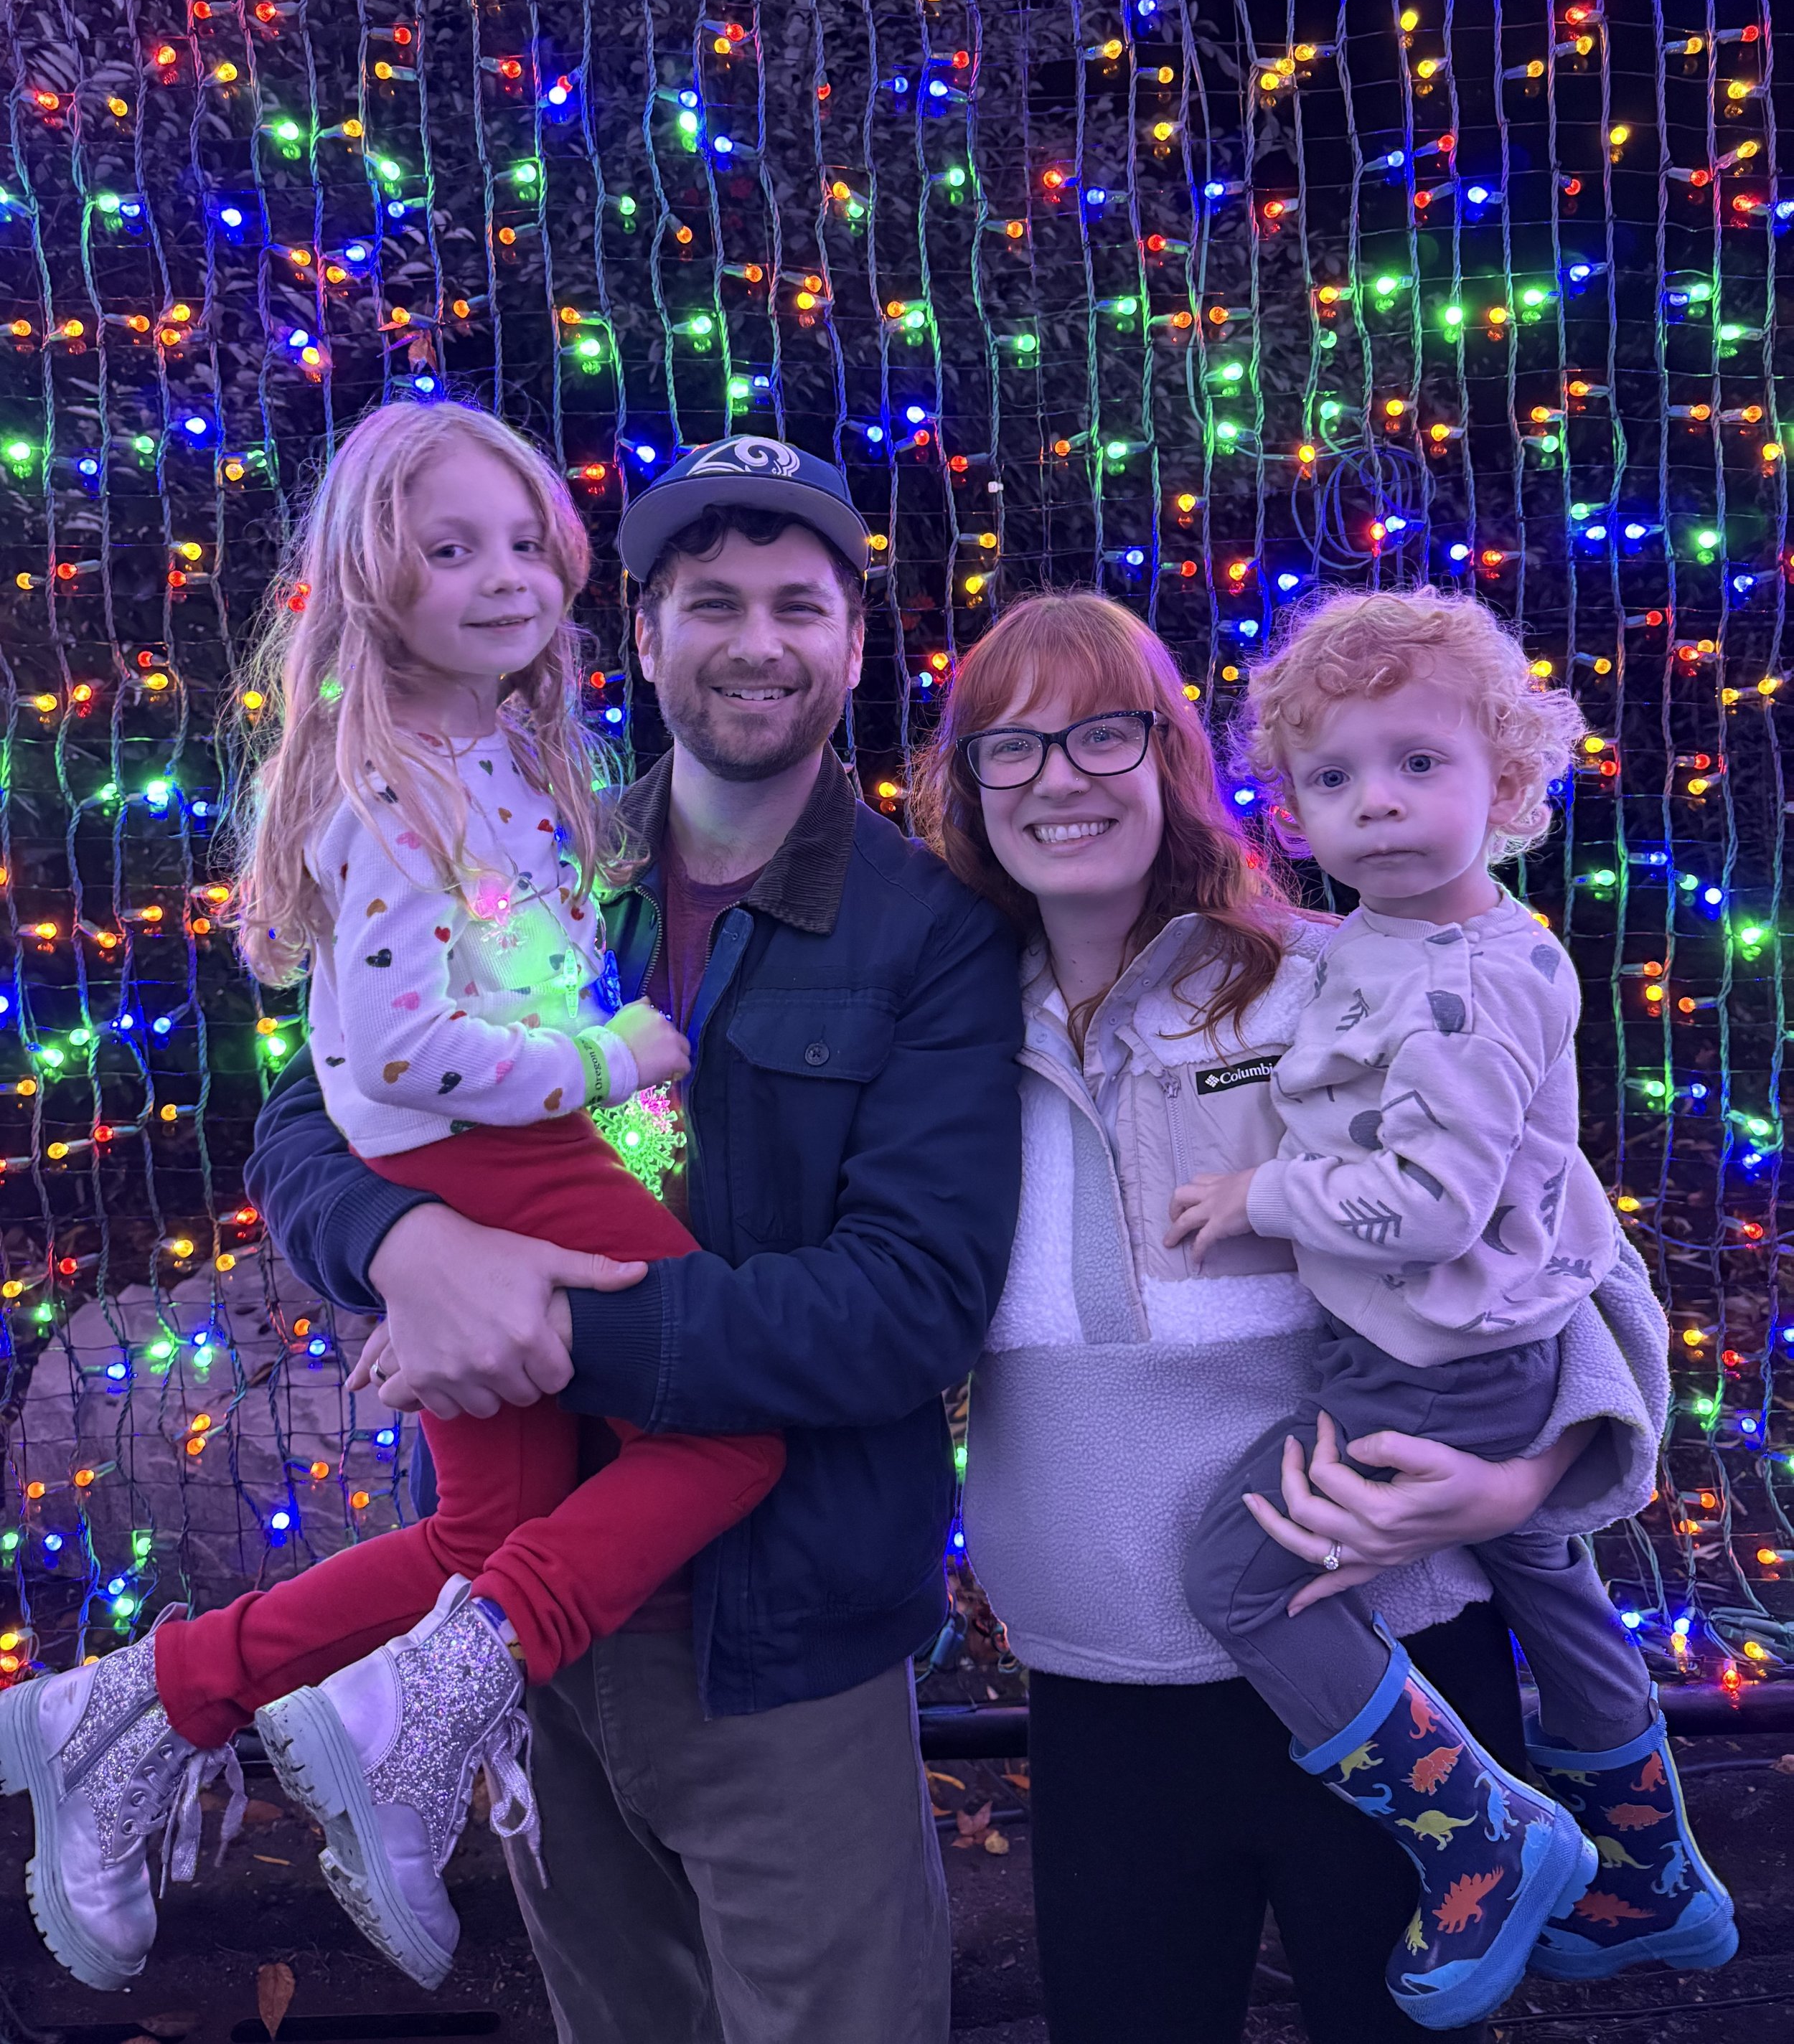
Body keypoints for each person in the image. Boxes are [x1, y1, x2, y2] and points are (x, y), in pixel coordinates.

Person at [239, 436, 1025, 2044]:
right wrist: (402, 1245)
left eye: (798, 604)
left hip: (773, 1642)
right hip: (525, 1636)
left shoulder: (927, 930)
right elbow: (308, 1122)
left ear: (854, 642)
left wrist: (534, 1307)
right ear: (644, 632)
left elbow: (906, 1306)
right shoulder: (512, 834)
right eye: (710, 599)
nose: (756, 640)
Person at [0, 403, 786, 1997]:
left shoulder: (494, 746)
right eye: (450, 549)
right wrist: (607, 1053)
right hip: (500, 1156)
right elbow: (397, 1053)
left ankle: (140, 1702)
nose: (502, 577)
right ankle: (385, 1718)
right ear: (373, 579)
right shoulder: (382, 791)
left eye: (520, 543)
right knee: (736, 1422)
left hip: (523, 1153)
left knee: (483, 1526)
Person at [913, 588, 1673, 2044]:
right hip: (1099, 1697)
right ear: (963, 786)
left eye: (1102, 733)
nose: (1058, 776)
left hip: (1391, 1664)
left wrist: (1520, 1479)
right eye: (1008, 747)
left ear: (1173, 759)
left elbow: (1570, 1262)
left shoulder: (1337, 985)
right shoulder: (940, 1037)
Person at [1169, 589, 1732, 2027]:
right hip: (1507, 1332)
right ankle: (1648, 1871)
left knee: (1238, 1567)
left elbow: (1425, 1201)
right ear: (1290, 806)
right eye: (1333, 777)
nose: (1377, 806)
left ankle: (1479, 1831)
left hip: (1429, 1355)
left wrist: (1259, 1197)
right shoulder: (1423, 934)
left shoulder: (1459, 986)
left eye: (1418, 763)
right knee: (1543, 1565)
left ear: (1507, 774)